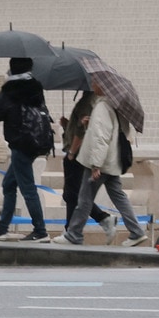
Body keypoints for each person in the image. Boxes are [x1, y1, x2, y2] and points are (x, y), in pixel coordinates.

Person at [53, 78, 145, 247]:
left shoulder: (102, 107)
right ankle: (137, 231)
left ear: (103, 87)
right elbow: (111, 132)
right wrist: (89, 124)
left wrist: (96, 164)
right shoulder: (112, 107)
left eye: (96, 83)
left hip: (101, 163)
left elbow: (101, 138)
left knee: (84, 199)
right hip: (112, 161)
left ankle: (74, 234)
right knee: (119, 197)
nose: (93, 85)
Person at [0, 57, 52, 243]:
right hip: (35, 142)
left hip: (20, 144)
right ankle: (2, 227)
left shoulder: (10, 90)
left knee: (28, 189)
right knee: (9, 184)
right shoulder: (36, 88)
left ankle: (40, 230)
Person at [58, 92, 117, 245]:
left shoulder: (88, 102)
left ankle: (99, 220)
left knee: (74, 194)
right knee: (74, 194)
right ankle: (71, 230)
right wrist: (68, 125)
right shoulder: (93, 102)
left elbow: (81, 131)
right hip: (81, 153)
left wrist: (71, 152)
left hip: (77, 153)